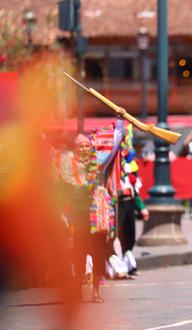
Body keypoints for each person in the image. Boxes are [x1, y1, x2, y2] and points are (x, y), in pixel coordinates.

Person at [55, 118, 124, 303]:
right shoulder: (67, 166)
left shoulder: (98, 162)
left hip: (97, 217)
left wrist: (120, 120)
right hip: (78, 216)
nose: (84, 149)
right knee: (78, 253)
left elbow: (116, 141)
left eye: (87, 146)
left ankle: (95, 292)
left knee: (99, 253)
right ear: (75, 149)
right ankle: (77, 291)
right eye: (80, 146)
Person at [117, 124, 149, 275]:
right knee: (117, 234)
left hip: (129, 203)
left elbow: (134, 191)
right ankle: (116, 266)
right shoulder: (113, 165)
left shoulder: (131, 167)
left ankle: (128, 261)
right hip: (117, 204)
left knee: (130, 233)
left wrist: (141, 207)